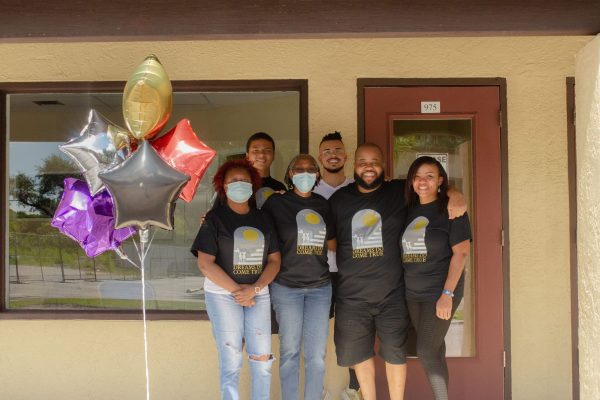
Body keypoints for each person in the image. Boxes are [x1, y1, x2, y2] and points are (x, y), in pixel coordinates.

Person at [329, 144, 466, 400]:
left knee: (395, 352)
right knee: (359, 354)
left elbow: (428, 185)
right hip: (352, 296)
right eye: (362, 161)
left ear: (384, 166)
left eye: (375, 161)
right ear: (353, 165)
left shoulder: (398, 192)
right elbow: (332, 242)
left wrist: (455, 193)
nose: (368, 167)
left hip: (393, 295)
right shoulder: (339, 200)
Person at [191, 159, 281, 400]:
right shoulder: (213, 219)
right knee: (231, 360)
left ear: (253, 184)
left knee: (262, 360)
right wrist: (238, 292)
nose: (239, 184)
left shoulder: (263, 218)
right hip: (222, 296)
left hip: (257, 296)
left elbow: (274, 261)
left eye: (244, 180)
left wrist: (254, 290)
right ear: (223, 186)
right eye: (233, 181)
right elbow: (205, 263)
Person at [263, 154, 334, 400]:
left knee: (316, 355)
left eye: (310, 169)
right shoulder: (276, 204)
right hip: (286, 287)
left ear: (317, 174)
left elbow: (334, 241)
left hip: (320, 288)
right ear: (291, 174)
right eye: (299, 169)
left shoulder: (324, 205)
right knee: (290, 350)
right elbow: (254, 225)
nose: (305, 173)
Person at [401, 156, 471, 400]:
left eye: (430, 176)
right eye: (417, 176)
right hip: (413, 292)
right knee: (435, 349)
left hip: (440, 291)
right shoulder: (408, 209)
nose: (422, 181)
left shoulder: (452, 210)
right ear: (411, 181)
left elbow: (461, 254)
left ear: (440, 180)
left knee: (426, 351)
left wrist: (447, 295)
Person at [312, 131, 361, 400]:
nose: (333, 155)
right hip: (318, 272)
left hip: (352, 273)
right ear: (320, 157)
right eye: (327, 151)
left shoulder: (358, 188)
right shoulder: (310, 189)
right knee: (317, 334)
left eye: (338, 150)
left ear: (346, 155)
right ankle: (315, 389)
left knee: (352, 332)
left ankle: (353, 388)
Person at [246, 131, 286, 208]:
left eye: (267, 151)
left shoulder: (279, 187)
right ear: (247, 156)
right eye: (256, 150)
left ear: (273, 156)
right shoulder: (239, 184)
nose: (261, 155)